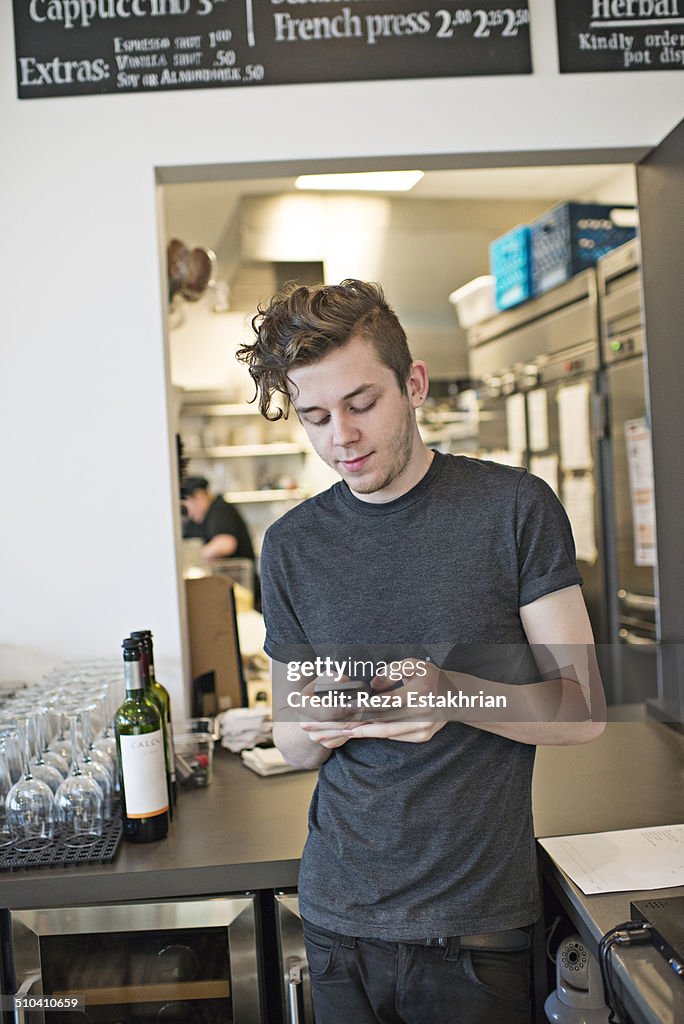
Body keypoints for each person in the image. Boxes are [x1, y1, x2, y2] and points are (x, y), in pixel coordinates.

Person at [237, 279, 606, 1024]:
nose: (339, 435)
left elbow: (581, 707)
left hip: (477, 927)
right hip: (339, 916)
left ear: (413, 385)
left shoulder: (512, 508)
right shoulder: (291, 547)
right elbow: (292, 743)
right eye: (314, 416)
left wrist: (448, 692)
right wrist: (322, 716)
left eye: (361, 403)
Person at [181, 477, 255, 563]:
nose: (188, 513)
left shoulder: (220, 510)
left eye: (186, 506)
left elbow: (226, 544)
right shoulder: (197, 519)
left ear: (199, 495)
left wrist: (194, 557)